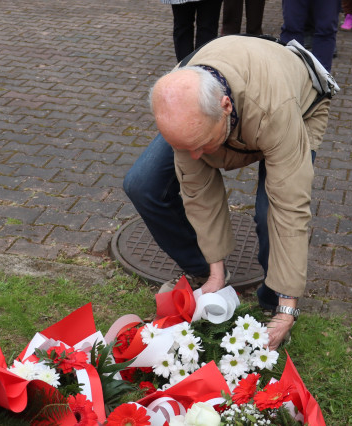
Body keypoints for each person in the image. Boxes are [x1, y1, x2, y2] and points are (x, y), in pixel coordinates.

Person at [123, 35, 334, 350]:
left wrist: (287, 309)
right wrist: (215, 272)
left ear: (224, 107)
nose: (195, 157)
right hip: (226, 112)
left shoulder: (274, 107)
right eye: (186, 147)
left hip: (296, 109)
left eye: (199, 145)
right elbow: (199, 194)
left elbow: (291, 206)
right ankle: (205, 274)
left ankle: (275, 300)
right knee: (142, 184)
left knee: (269, 213)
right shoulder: (184, 100)